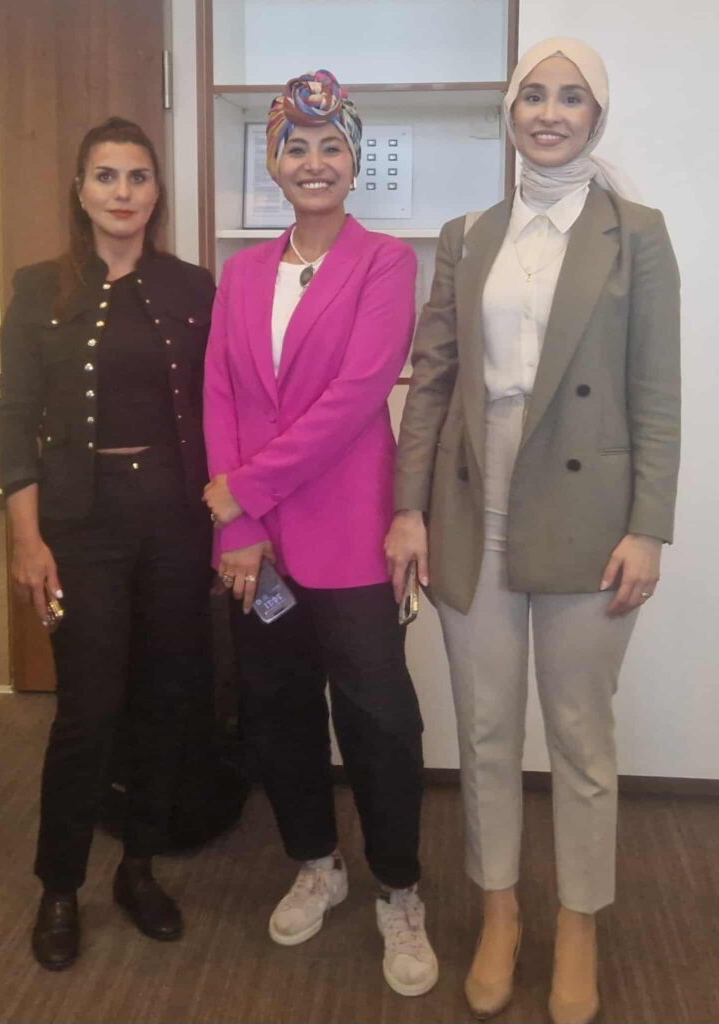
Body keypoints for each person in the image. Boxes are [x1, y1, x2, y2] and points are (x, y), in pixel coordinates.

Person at [385, 38, 680, 1024]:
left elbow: (656, 392)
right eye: (533, 96)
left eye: (571, 97)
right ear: (510, 113)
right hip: (475, 507)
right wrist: (409, 507)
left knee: (581, 732)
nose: (549, 113)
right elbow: (432, 378)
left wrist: (649, 527)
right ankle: (500, 910)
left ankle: (580, 919)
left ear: (597, 115)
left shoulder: (637, 234)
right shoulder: (468, 233)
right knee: (486, 727)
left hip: (590, 518)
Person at [202, 70, 438, 998]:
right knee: (277, 706)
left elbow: (355, 398)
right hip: (257, 545)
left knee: (379, 719)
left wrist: (241, 490)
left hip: (349, 536)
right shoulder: (241, 273)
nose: (313, 162)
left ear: (355, 161)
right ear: (272, 163)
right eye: (295, 147)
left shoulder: (386, 264)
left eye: (331, 146)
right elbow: (222, 395)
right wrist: (239, 526)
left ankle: (399, 888)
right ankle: (316, 862)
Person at [0, 118, 216, 970]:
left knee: (165, 699)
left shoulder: (193, 287)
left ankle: (138, 868)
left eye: (137, 176)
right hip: (80, 529)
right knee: (88, 710)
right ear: (80, 191)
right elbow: (14, 418)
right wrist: (24, 539)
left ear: (157, 192)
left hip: (174, 523)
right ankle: (59, 886)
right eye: (106, 176)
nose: (123, 192)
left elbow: (224, 405)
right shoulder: (37, 287)